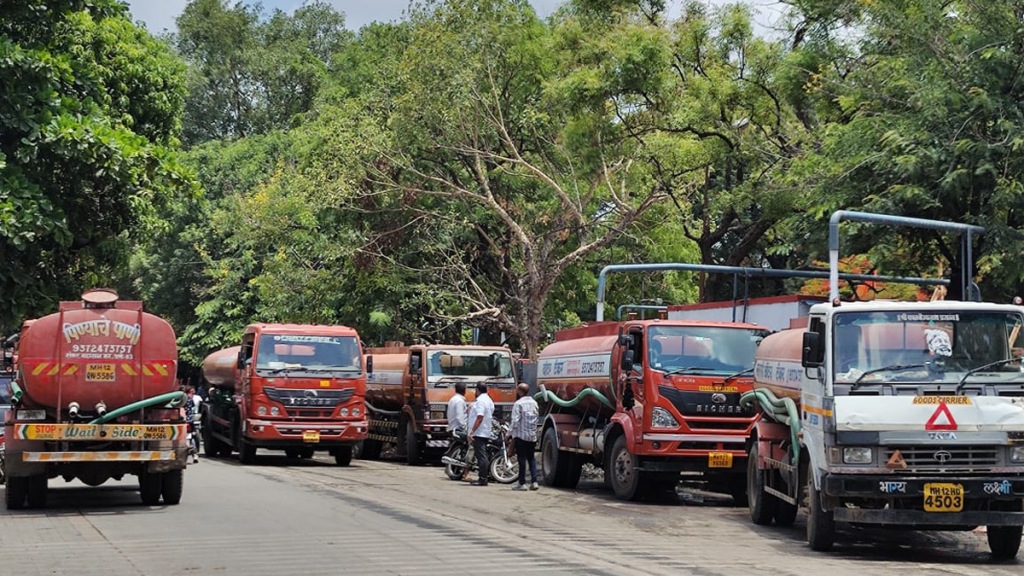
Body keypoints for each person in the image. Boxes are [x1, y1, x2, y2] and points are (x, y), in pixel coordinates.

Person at [508, 383, 540, 491]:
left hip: (521, 436)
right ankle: (534, 482)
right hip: (532, 436)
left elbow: (515, 421)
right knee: (531, 458)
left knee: (521, 459)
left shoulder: (518, 404)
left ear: (520, 391)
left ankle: (522, 483)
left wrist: (509, 434)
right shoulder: (534, 403)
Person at [467, 382, 494, 486]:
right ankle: (483, 477)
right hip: (485, 431)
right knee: (482, 455)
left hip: (479, 432)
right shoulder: (489, 400)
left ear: (478, 390)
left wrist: (472, 431)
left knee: (481, 456)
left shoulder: (481, 401)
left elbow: (480, 417)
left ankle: (483, 479)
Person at [184, 386, 201, 463]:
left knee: (189, 437)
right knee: (191, 437)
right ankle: (195, 455)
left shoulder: (182, 399)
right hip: (190, 420)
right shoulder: (190, 399)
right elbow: (193, 407)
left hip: (183, 420)